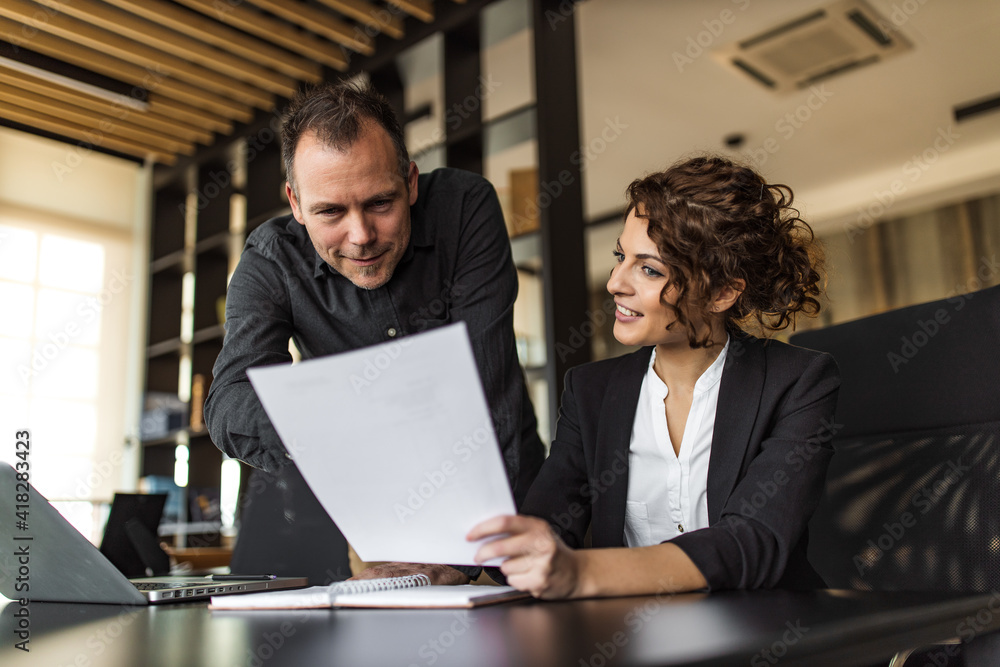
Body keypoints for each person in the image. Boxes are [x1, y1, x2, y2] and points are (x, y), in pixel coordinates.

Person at [204, 80, 545, 584]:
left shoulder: (464, 208)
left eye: (380, 203)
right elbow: (230, 403)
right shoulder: (271, 260)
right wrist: (337, 431)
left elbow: (482, 395)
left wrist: (463, 561)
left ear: (410, 182)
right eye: (330, 212)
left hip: (510, 519)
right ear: (296, 205)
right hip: (374, 535)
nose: (361, 236)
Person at [468, 156, 840, 598]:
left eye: (649, 269)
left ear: (722, 292)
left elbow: (753, 542)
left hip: (767, 639)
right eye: (620, 257)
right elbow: (548, 527)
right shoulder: (590, 391)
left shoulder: (799, 382)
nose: (614, 283)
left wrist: (583, 573)